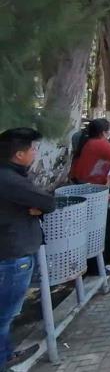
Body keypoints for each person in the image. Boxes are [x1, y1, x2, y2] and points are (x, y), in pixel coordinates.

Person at [0, 128, 55, 369]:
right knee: (5, 315)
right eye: (31, 149)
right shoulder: (10, 180)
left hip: (12, 250)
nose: (34, 152)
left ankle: (7, 354)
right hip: (13, 255)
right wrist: (35, 208)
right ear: (18, 154)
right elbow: (47, 202)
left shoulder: (10, 176)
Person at [70, 118, 110, 185]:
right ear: (103, 132)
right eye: (109, 129)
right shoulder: (100, 144)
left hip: (82, 179)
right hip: (92, 183)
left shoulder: (88, 140)